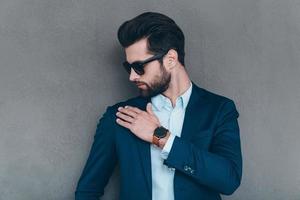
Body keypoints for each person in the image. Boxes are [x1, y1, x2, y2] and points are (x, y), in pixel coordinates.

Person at [75, 12, 242, 200]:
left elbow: (229, 180)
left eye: (139, 66)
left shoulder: (219, 110)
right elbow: (87, 190)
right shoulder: (120, 116)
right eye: (128, 67)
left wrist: (160, 137)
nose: (132, 76)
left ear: (170, 59)